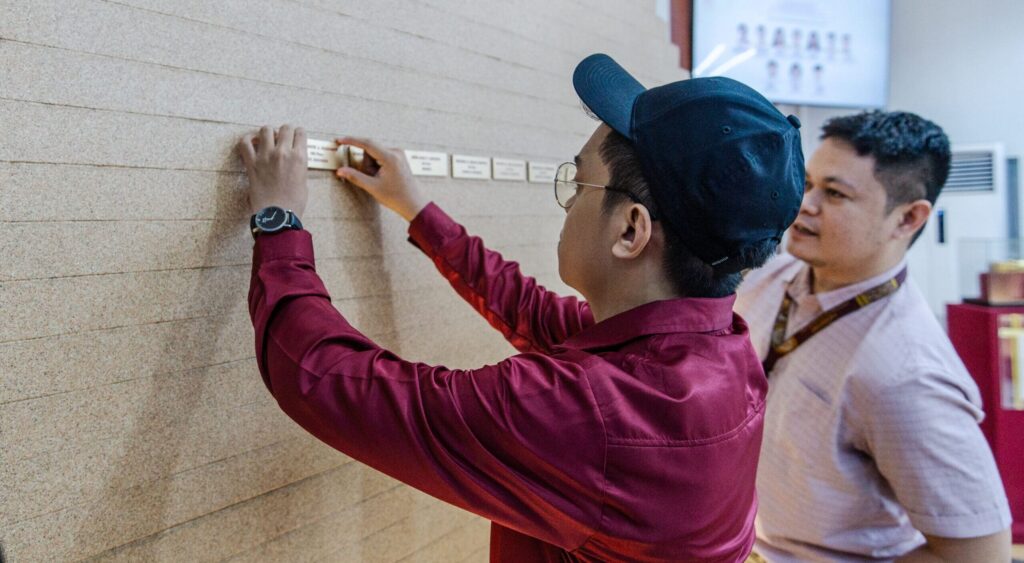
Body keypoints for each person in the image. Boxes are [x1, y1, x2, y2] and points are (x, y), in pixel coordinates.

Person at [237, 53, 804, 561]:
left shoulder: (592, 415)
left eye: (577, 182)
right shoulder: (714, 351)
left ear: (631, 229)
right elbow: (533, 312)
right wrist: (416, 209)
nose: (566, 203)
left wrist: (278, 220)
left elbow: (327, 380)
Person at [735, 111, 1012, 562]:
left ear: (907, 219)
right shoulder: (772, 276)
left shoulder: (909, 374)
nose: (805, 204)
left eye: (835, 194)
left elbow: (981, 555)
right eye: (807, 183)